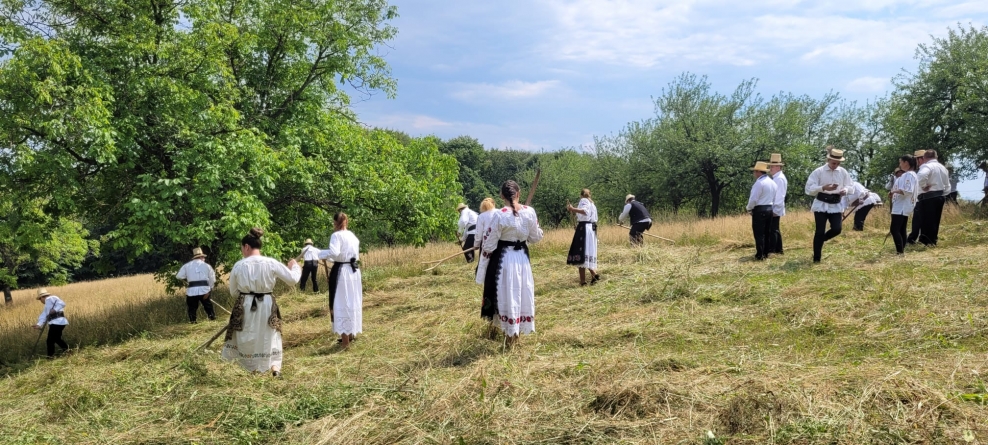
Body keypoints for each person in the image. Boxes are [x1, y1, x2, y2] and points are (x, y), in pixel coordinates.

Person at [222, 228, 301, 377]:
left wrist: (247, 295)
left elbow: (233, 292)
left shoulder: (239, 265)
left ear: (246, 246)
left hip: (245, 304)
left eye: (242, 248)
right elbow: (292, 280)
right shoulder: (271, 263)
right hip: (267, 304)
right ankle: (274, 368)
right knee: (269, 334)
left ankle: (250, 369)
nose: (242, 251)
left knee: (247, 334)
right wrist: (295, 267)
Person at [480, 180, 544, 347]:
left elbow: (489, 244)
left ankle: (510, 338)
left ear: (502, 195)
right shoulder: (529, 212)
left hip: (505, 260)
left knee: (507, 294)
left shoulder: (499, 215)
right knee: (520, 293)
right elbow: (536, 237)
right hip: (522, 259)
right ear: (518, 194)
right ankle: (514, 337)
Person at [317, 213, 362, 349]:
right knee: (351, 301)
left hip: (342, 272)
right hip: (353, 271)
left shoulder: (336, 236)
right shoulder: (352, 236)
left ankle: (345, 342)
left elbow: (335, 253)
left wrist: (320, 254)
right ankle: (351, 334)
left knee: (341, 302)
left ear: (336, 223)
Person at [804, 147, 852, 263]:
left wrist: (845, 190)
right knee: (819, 231)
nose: (835, 165)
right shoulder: (818, 171)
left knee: (837, 229)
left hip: (836, 204)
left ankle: (822, 239)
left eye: (838, 163)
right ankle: (816, 258)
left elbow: (851, 186)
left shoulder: (843, 172)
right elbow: (809, 189)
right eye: (833, 163)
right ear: (828, 160)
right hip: (821, 204)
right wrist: (823, 188)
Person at [914, 149, 950, 246]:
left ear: (924, 158)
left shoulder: (927, 166)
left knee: (926, 220)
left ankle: (926, 241)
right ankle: (933, 240)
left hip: (928, 197)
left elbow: (920, 177)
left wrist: (923, 186)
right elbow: (947, 185)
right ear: (936, 157)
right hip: (940, 196)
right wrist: (943, 194)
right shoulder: (943, 168)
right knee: (935, 220)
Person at [566, 188, 600, 285]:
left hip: (584, 228)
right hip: (590, 228)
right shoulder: (592, 204)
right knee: (586, 252)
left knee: (581, 253)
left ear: (581, 195)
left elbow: (585, 211)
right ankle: (593, 275)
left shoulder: (584, 200)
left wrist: (573, 209)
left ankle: (583, 281)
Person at [176, 247, 217, 323]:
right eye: (203, 257)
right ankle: (212, 319)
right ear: (201, 257)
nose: (204, 259)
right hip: (204, 290)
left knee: (192, 308)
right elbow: (212, 279)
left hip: (192, 291)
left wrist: (189, 277)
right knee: (208, 306)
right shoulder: (207, 266)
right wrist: (209, 290)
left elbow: (179, 276)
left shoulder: (187, 266)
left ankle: (193, 321)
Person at [746, 161, 777, 260]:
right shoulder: (772, 182)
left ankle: (760, 254)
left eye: (755, 171)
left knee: (759, 233)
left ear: (759, 172)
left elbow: (753, 199)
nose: (754, 173)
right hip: (769, 208)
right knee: (767, 232)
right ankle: (766, 253)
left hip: (760, 209)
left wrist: (749, 208)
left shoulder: (759, 183)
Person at [890, 156, 919, 255]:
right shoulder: (909, 175)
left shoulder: (909, 175)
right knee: (901, 229)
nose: (900, 164)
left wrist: (894, 191)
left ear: (906, 162)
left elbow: (907, 190)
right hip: (902, 205)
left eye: (901, 162)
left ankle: (900, 252)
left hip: (902, 205)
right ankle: (901, 251)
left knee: (894, 229)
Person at [33, 288, 69, 358]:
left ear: (42, 297)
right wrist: (38, 324)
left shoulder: (51, 298)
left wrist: (55, 310)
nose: (40, 301)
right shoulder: (46, 306)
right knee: (56, 339)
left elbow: (62, 303)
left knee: (50, 340)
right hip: (57, 323)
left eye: (40, 299)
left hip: (57, 322)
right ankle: (67, 351)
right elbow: (43, 316)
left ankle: (50, 357)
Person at [474, 197, 498, 285]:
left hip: (486, 242)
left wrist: (476, 244)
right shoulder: (500, 212)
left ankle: (485, 279)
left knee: (485, 262)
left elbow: (478, 233)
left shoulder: (481, 216)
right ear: (494, 204)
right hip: (499, 241)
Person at [907, 149, 929, 244]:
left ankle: (912, 238)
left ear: (920, 159)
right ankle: (922, 237)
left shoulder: (924, 169)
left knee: (917, 219)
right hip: (926, 196)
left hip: (921, 196)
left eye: (916, 159)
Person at [767, 153, 787, 255]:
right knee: (775, 228)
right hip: (775, 206)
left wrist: (775, 209)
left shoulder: (779, 179)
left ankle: (773, 250)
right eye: (770, 166)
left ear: (778, 167)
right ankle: (779, 249)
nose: (770, 168)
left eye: (772, 166)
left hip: (775, 207)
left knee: (773, 229)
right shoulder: (777, 177)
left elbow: (780, 196)